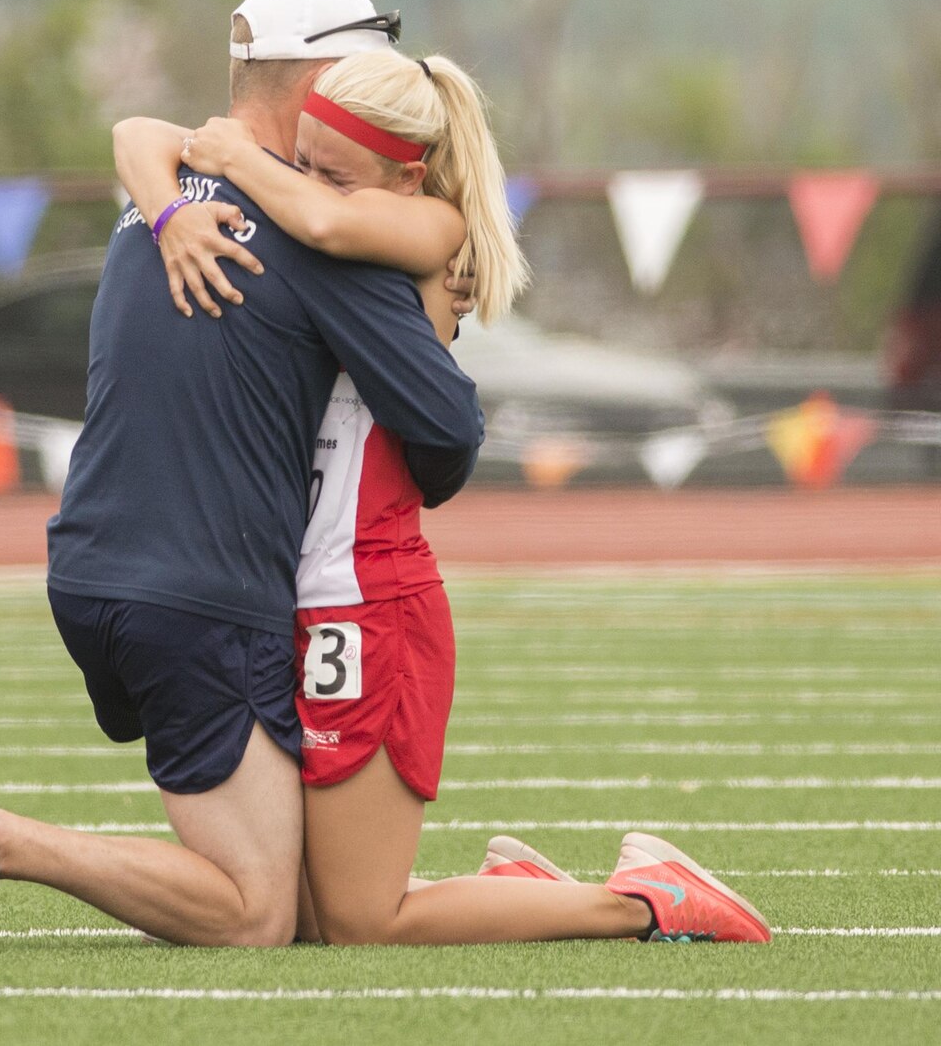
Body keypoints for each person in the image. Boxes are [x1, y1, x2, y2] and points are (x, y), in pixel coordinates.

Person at [0, 0, 486, 952]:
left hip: (91, 566)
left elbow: (141, 132)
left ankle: (499, 891)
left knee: (302, 894)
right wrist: (428, 312)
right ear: (321, 74)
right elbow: (446, 441)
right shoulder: (314, 230)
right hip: (201, 593)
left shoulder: (154, 201)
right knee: (258, 914)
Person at [114, 47, 771, 945]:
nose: (303, 181)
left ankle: (643, 897)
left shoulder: (421, 227)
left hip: (368, 592)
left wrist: (231, 159)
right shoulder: (330, 210)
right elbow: (143, 136)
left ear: (404, 175)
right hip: (302, 592)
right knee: (301, 906)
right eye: (301, 157)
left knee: (358, 922)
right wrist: (168, 202)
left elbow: (320, 220)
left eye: (330, 169)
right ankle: (518, 891)